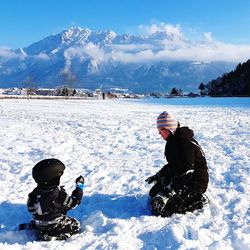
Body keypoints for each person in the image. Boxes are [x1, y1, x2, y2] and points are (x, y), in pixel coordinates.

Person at [145, 111, 209, 217]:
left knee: (161, 209)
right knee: (153, 194)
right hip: (181, 177)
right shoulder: (172, 141)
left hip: (195, 182)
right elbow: (173, 165)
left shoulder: (184, 143)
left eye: (161, 130)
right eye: (158, 130)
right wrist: (159, 175)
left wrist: (167, 193)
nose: (159, 133)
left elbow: (187, 171)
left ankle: (198, 199)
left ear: (170, 128)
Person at [27, 158, 84, 241]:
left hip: (39, 224)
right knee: (76, 224)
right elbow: (73, 203)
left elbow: (31, 209)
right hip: (55, 225)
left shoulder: (33, 194)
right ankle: (55, 235)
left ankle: (43, 230)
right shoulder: (58, 195)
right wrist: (79, 188)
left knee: (46, 219)